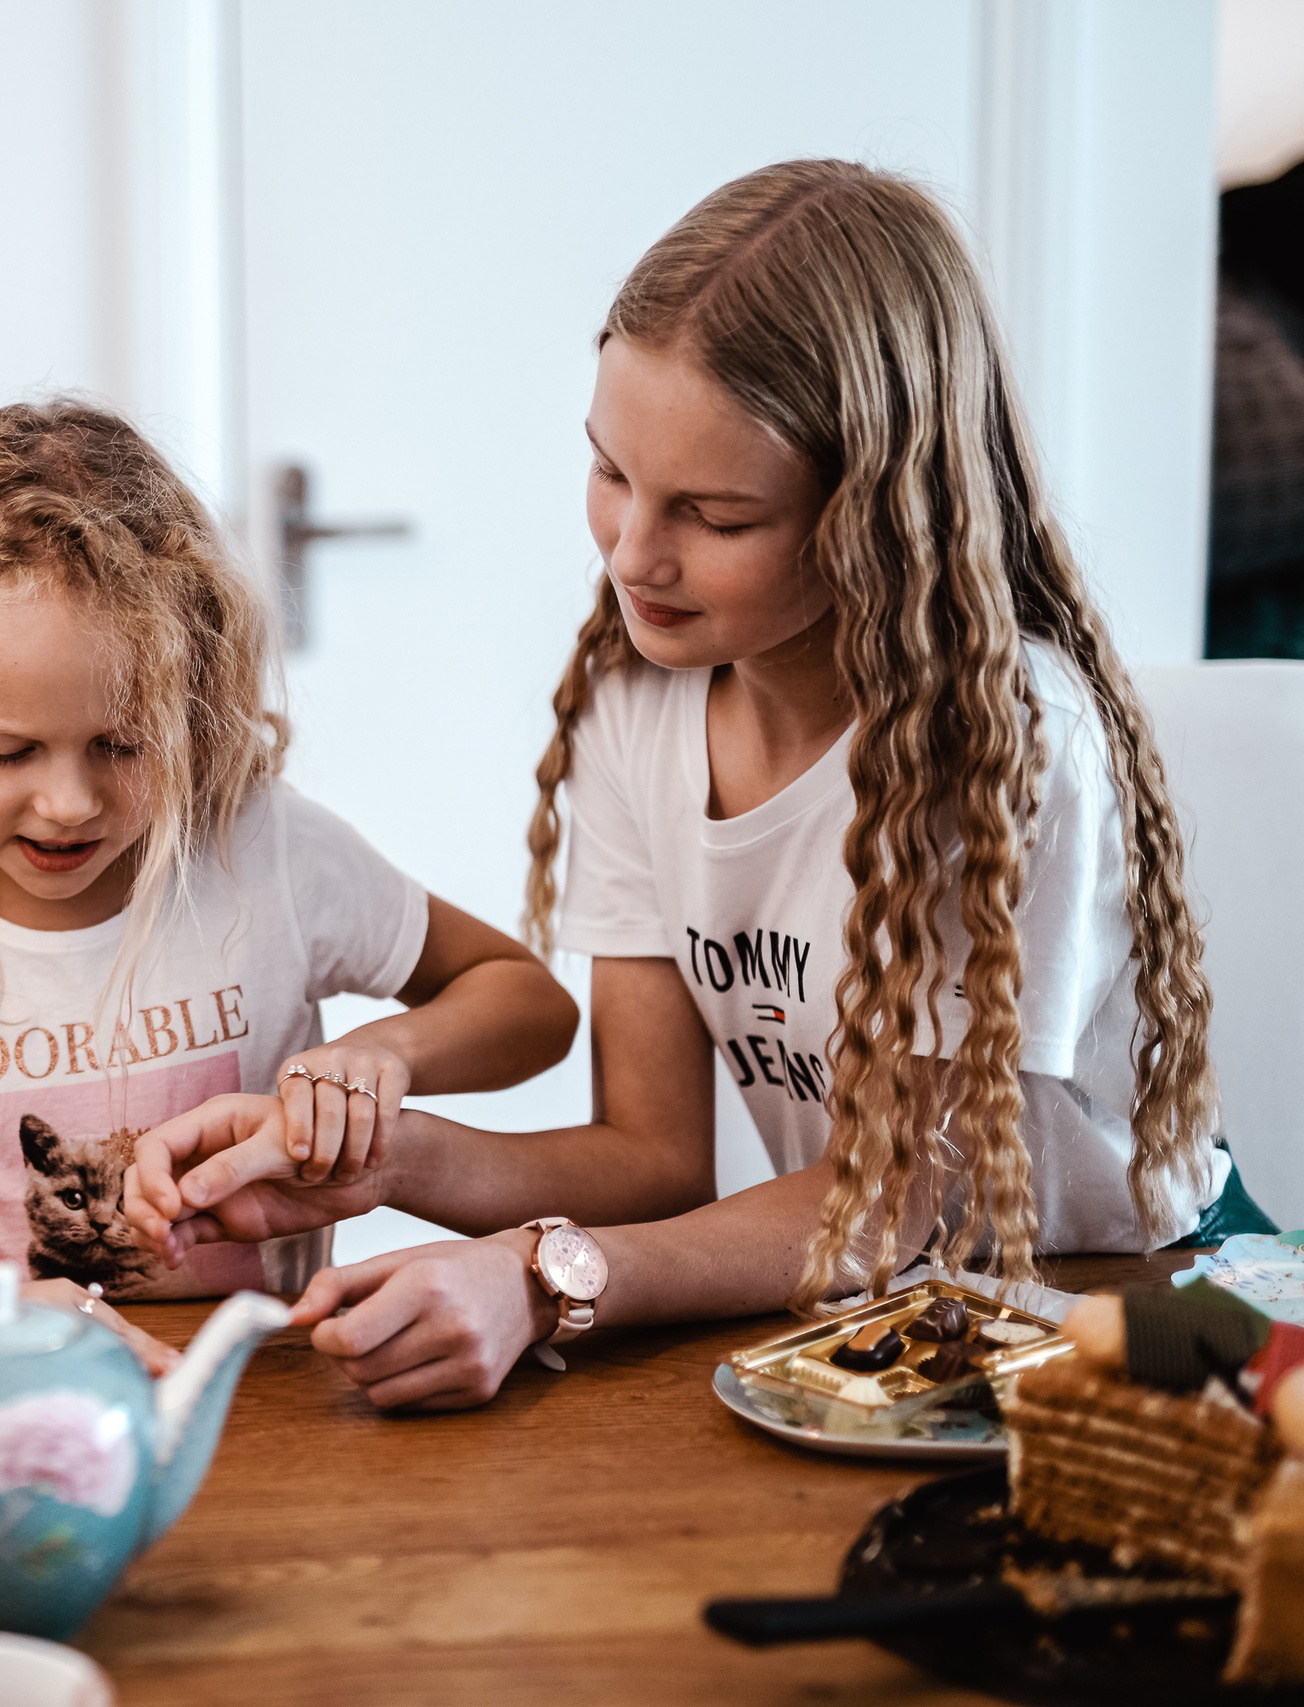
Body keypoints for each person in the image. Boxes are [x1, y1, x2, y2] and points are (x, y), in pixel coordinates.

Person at [128, 159, 1266, 1410]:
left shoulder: (1005, 742)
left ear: (878, 512)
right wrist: (380, 1164)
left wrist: (545, 1274)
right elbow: (654, 1158)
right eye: (611, 473)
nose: (632, 554)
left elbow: (910, 1195)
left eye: (716, 517)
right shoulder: (638, 704)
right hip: (875, 1305)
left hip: (1128, 1298)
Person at [0, 400, 578, 1369]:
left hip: (265, 1410)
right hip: (9, 1415)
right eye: (7, 751)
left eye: (121, 743)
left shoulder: (263, 848)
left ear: (190, 697)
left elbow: (530, 1005)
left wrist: (385, 1051)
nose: (67, 803)